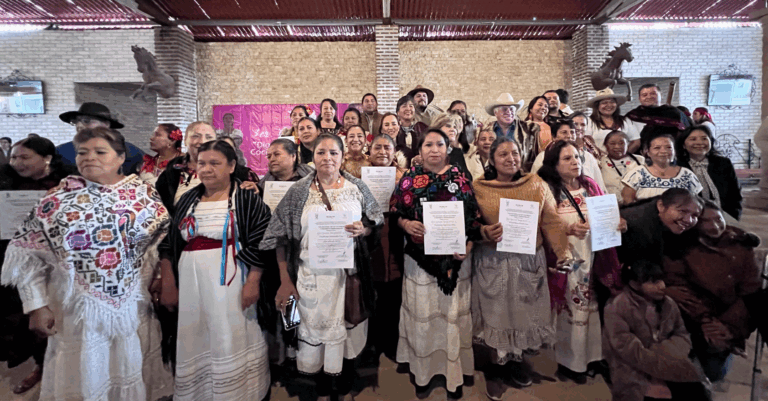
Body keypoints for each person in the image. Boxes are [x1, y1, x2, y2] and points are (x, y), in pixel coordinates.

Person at [1, 127, 173, 400]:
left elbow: (158, 247)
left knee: (129, 370)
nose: (89, 158)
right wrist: (36, 305)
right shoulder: (56, 200)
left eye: (100, 152)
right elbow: (28, 257)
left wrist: (160, 281)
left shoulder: (144, 198)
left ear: (119, 157)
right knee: (83, 377)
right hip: (74, 311)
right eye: (82, 152)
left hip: (134, 307)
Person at [261, 133, 384, 401]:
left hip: (346, 278)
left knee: (345, 330)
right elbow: (278, 237)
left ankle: (341, 380)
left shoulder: (357, 188)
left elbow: (376, 221)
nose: (327, 158)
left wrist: (363, 230)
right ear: (312, 157)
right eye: (321, 153)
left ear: (342, 157)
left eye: (333, 153)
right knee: (307, 333)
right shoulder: (298, 191)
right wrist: (285, 280)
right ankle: (316, 382)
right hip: (307, 277)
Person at [158, 140, 273, 401]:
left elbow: (262, 240)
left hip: (232, 279)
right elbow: (169, 242)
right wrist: (168, 282)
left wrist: (253, 281)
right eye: (201, 163)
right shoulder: (187, 198)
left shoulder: (246, 199)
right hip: (191, 282)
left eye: (214, 163)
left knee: (230, 331)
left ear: (232, 166)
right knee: (196, 332)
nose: (207, 169)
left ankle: (238, 392)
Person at [472, 137, 571, 399]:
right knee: (496, 314)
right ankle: (495, 369)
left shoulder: (535, 184)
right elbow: (469, 222)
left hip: (528, 260)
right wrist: (483, 232)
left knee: (522, 313)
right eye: (503, 154)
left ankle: (516, 362)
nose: (510, 158)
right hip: (494, 261)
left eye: (515, 152)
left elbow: (551, 220)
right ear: (492, 160)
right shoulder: (480, 187)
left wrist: (563, 252)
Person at [391, 129, 482, 399]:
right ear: (419, 150)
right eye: (428, 144)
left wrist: (468, 245)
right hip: (420, 263)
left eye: (439, 144)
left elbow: (474, 218)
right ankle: (423, 373)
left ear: (448, 147)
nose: (434, 149)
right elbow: (396, 211)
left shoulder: (461, 177)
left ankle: (455, 373)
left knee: (451, 318)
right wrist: (407, 224)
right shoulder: (408, 179)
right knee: (424, 316)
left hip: (456, 261)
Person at [537, 140, 624, 384]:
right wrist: (568, 230)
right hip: (565, 258)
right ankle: (570, 362)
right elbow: (540, 227)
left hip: (594, 255)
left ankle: (594, 357)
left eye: (577, 157)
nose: (575, 162)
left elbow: (605, 214)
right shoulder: (546, 189)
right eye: (567, 158)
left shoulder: (590, 185)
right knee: (570, 309)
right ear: (553, 164)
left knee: (593, 308)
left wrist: (618, 223)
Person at [0, 137, 76, 395]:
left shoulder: (69, 183)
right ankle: (38, 365)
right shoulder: (4, 182)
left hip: (57, 261)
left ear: (46, 158)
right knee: (24, 317)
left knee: (54, 315)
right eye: (13, 157)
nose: (17, 163)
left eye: (24, 157)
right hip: (15, 257)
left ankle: (57, 366)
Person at [664, 200, 761, 383]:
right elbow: (681, 290)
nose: (715, 225)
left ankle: (725, 345)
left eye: (718, 219)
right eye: (706, 221)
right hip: (698, 318)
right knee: (700, 372)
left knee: (714, 373)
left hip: (729, 319)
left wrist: (728, 327)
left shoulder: (741, 244)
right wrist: (707, 322)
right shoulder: (683, 248)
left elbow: (750, 292)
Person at [603, 260, 711, 401]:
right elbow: (629, 350)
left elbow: (682, 334)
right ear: (634, 283)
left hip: (668, 362)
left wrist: (666, 355)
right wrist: (662, 366)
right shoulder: (617, 307)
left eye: (661, 280)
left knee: (698, 393)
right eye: (652, 282)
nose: (661, 286)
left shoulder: (668, 304)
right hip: (634, 369)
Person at [155, 121, 257, 216]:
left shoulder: (240, 173)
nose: (202, 141)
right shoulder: (171, 172)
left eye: (208, 137)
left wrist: (255, 190)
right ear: (185, 140)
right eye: (196, 136)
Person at [366, 134, 408, 362]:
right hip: (371, 241)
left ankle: (391, 342)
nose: (382, 151)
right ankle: (372, 343)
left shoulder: (404, 178)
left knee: (394, 296)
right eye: (377, 147)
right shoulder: (360, 179)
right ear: (369, 152)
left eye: (387, 148)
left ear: (394, 153)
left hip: (396, 240)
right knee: (371, 296)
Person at [618, 188, 704, 267]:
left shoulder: (691, 231)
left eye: (695, 215)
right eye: (682, 211)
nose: (688, 220)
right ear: (661, 206)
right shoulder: (637, 223)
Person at [57, 102, 145, 174]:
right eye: (76, 121)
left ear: (106, 124)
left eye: (86, 121)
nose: (79, 125)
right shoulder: (61, 152)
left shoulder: (131, 152)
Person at [676, 125, 742, 220]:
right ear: (683, 145)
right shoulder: (677, 167)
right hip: (691, 220)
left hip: (724, 217)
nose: (699, 143)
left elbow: (735, 195)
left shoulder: (724, 163)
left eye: (704, 138)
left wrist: (733, 217)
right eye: (693, 139)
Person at [622, 134, 702, 204]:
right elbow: (628, 201)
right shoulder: (637, 173)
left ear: (675, 152)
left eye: (669, 147)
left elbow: (696, 202)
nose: (663, 151)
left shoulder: (687, 174)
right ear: (648, 152)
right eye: (657, 148)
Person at [531, 120, 606, 192]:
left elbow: (600, 185)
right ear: (554, 137)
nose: (569, 136)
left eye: (572, 132)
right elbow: (535, 185)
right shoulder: (543, 156)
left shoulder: (587, 156)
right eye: (564, 132)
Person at [586, 88, 642, 154]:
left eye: (612, 102)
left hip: (623, 162)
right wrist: (603, 157)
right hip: (597, 161)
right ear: (597, 106)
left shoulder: (625, 121)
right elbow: (586, 142)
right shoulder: (589, 122)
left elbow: (636, 142)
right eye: (604, 103)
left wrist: (622, 156)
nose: (609, 105)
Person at [599, 130, 645, 204]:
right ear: (605, 145)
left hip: (637, 205)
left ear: (628, 144)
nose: (617, 146)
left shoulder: (641, 161)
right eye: (612, 143)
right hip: (610, 206)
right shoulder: (600, 162)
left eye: (621, 143)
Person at [625, 84, 690, 133]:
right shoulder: (632, 116)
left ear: (661, 95)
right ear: (639, 99)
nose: (649, 97)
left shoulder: (675, 113)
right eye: (644, 95)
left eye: (653, 94)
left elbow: (688, 134)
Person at [429, 113, 471, 179]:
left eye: (454, 127)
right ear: (437, 129)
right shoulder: (428, 150)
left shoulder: (457, 152)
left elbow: (468, 178)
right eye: (448, 126)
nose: (452, 129)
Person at [520, 96, 551, 166]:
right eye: (540, 105)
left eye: (546, 106)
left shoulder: (550, 128)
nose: (543, 108)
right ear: (531, 108)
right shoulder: (523, 126)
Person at [395, 95, 428, 161]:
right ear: (398, 112)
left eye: (411, 106)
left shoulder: (422, 128)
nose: (408, 109)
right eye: (404, 106)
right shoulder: (394, 129)